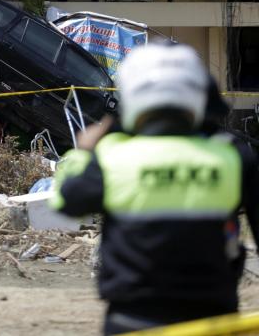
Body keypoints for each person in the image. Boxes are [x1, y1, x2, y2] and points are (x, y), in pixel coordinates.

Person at [51, 43, 259, 334]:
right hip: (215, 318)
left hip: (133, 320)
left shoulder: (112, 154)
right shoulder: (232, 155)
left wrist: (83, 153)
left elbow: (66, 201)